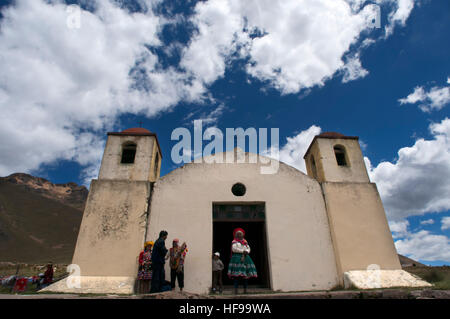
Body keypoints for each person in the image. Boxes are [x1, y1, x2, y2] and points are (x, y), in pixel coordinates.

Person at [227, 228, 257, 294]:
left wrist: (246, 251)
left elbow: (248, 248)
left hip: (246, 258)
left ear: (243, 235)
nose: (239, 235)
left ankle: (245, 290)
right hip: (237, 258)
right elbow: (234, 249)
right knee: (236, 275)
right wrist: (243, 251)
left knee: (245, 275)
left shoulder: (245, 242)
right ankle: (236, 290)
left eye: (241, 234)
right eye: (238, 234)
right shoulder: (234, 242)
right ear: (235, 235)